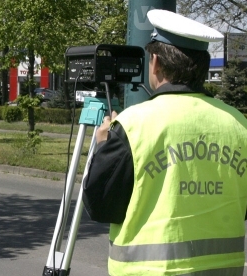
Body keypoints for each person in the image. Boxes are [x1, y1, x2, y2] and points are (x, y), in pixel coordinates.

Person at [82, 9, 247, 275]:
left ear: (156, 62)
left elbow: (100, 205)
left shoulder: (132, 124)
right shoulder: (239, 123)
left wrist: (102, 145)